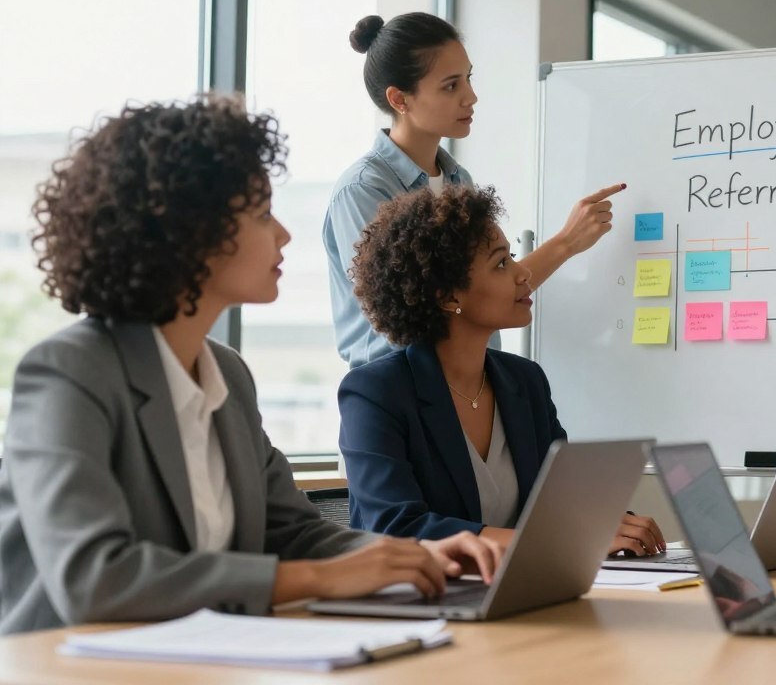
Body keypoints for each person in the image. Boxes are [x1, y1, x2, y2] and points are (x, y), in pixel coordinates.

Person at [0, 97, 502, 636]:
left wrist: (420, 556)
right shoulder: (70, 372)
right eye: (262, 213)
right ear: (192, 235)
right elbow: (94, 579)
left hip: (198, 656)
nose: (283, 233)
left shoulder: (228, 374)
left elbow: (293, 532)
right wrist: (314, 580)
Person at [338, 186, 665, 556]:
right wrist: (559, 540)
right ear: (448, 296)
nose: (523, 271)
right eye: (501, 263)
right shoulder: (375, 392)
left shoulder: (525, 381)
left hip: (521, 595)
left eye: (511, 257)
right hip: (423, 604)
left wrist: (609, 524)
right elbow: (396, 528)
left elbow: (560, 504)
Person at [325, 12, 623, 367]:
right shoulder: (362, 191)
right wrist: (566, 243)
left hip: (470, 391)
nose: (471, 97)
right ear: (399, 99)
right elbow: (415, 317)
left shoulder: (457, 181)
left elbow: (482, 292)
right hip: (406, 399)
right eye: (451, 86)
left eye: (468, 78)